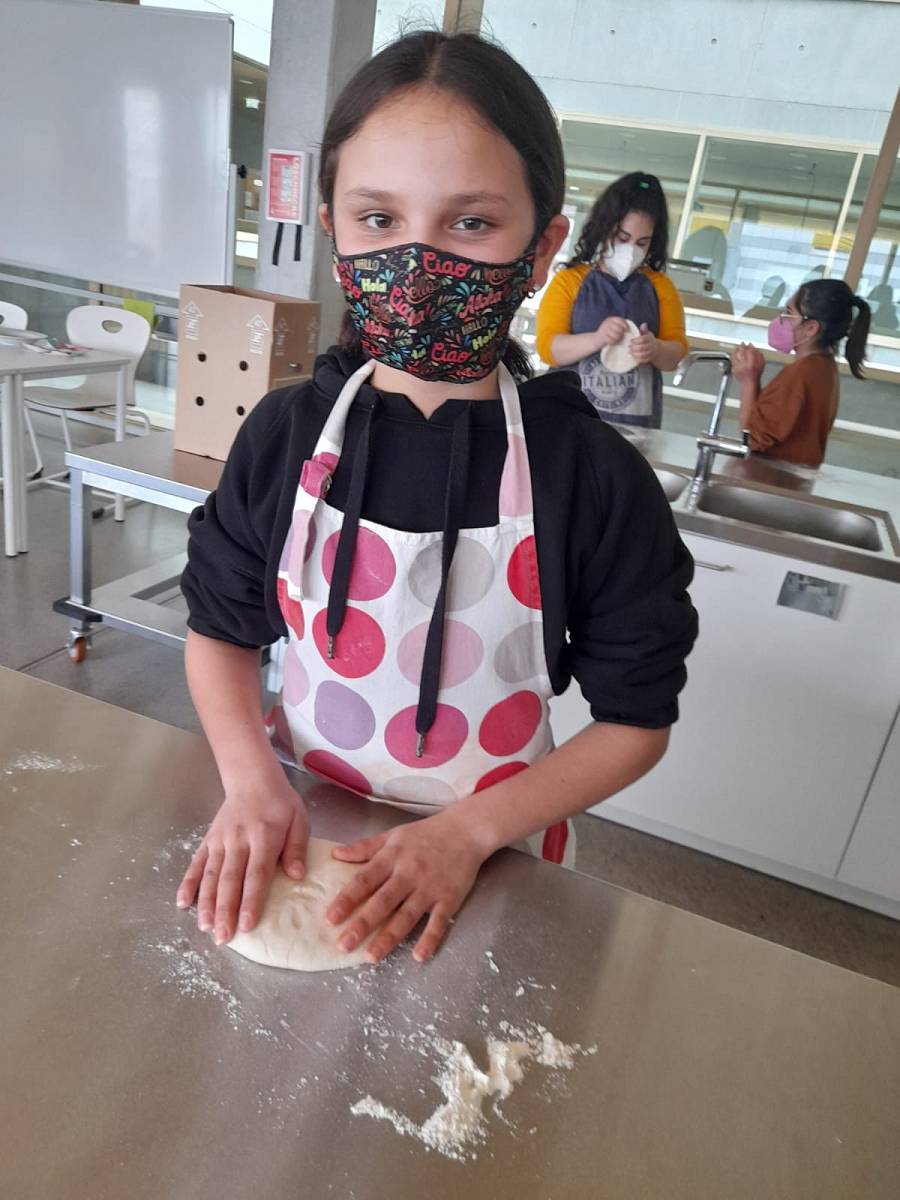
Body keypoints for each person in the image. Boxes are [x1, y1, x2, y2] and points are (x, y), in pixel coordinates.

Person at [176, 32, 696, 966]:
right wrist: (250, 782)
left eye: (470, 224)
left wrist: (466, 834)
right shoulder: (288, 435)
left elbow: (634, 723)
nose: (416, 263)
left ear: (541, 248)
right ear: (333, 228)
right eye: (379, 218)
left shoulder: (590, 475)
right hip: (300, 824)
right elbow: (220, 630)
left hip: (496, 857)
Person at [534, 172, 688, 429]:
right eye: (622, 238)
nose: (631, 250)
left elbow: (676, 353)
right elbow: (548, 348)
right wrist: (597, 339)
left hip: (635, 427)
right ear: (604, 228)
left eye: (642, 243)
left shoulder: (661, 287)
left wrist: (656, 349)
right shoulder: (570, 281)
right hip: (567, 420)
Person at [731, 279, 871, 468]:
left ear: (811, 328)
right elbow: (769, 423)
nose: (781, 319)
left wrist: (749, 381)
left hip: (774, 478)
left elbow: (752, 439)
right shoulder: (823, 367)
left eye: (789, 312)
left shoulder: (800, 374)